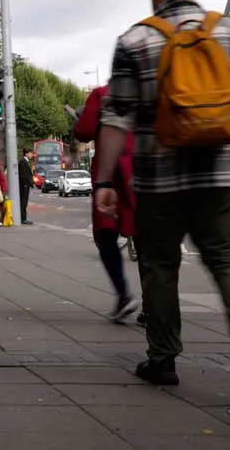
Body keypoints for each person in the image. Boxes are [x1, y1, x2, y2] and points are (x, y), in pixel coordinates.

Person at [94, 0, 230, 407]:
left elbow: (116, 118)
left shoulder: (135, 40)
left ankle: (163, 358)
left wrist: (105, 182)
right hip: (221, 175)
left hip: (159, 178)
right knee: (228, 257)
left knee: (159, 264)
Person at [75, 85, 142, 321]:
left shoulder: (102, 94)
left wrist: (81, 120)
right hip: (144, 168)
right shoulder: (155, 88)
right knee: (145, 236)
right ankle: (153, 305)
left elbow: (84, 131)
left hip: (110, 171)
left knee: (106, 236)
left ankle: (124, 294)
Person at [18, 148, 35, 225]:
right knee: (23, 203)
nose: (32, 155)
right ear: (26, 154)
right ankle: (23, 219)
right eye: (30, 153)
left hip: (25, 186)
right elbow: (23, 175)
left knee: (24, 202)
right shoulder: (23, 162)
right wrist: (26, 184)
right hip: (24, 186)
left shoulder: (26, 162)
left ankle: (23, 218)